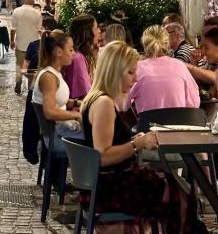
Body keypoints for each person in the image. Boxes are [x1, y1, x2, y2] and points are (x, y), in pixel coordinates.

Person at [80, 40, 198, 234]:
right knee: (180, 193)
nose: (135, 79)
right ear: (114, 71)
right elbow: (102, 156)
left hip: (107, 183)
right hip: (111, 187)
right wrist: (137, 143)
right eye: (130, 72)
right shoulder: (103, 104)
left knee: (176, 187)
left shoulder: (95, 99)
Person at [130, 25, 200, 113]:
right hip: (179, 121)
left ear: (144, 44)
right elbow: (194, 103)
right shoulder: (180, 66)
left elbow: (122, 104)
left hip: (148, 121)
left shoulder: (137, 68)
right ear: (167, 43)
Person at [31, 30, 83, 149]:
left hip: (61, 131)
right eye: (71, 49)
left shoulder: (54, 74)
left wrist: (78, 103)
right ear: (59, 52)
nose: (74, 53)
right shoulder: (49, 78)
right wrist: (76, 115)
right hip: (57, 138)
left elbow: (59, 101)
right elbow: (50, 112)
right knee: (99, 139)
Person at [62, 14, 100, 100]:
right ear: (87, 33)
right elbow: (84, 94)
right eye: (96, 28)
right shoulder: (77, 58)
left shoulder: (82, 55)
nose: (99, 31)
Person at [10, 0, 41, 94]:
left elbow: (13, 29)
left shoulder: (16, 11)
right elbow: (39, 30)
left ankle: (18, 81)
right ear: (33, 1)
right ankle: (30, 88)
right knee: (32, 68)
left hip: (20, 44)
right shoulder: (37, 13)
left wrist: (12, 41)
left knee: (19, 64)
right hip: (34, 46)